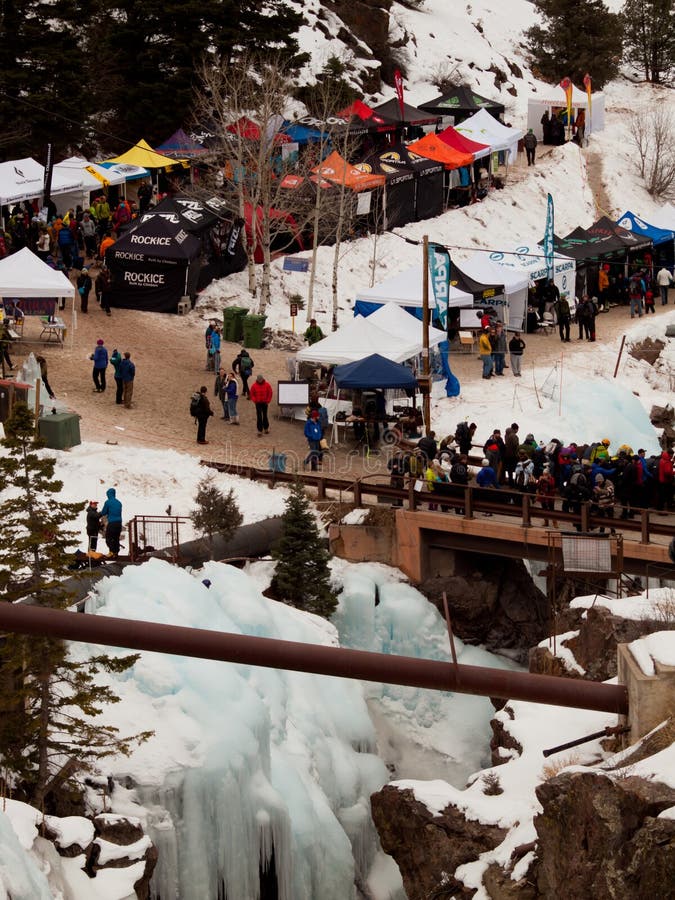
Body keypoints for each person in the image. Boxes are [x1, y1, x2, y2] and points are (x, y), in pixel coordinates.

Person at [100, 487, 123, 557]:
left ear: (108, 495)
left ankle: (111, 552)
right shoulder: (119, 502)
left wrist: (99, 514)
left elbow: (103, 512)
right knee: (116, 538)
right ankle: (116, 553)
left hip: (112, 523)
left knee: (108, 538)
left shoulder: (108, 502)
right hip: (119, 523)